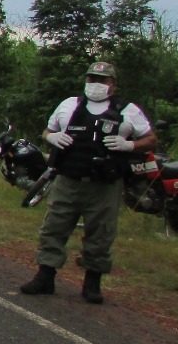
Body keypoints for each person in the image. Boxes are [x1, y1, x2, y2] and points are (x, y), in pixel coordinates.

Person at [20, 61, 156, 304]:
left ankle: (92, 282)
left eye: (102, 80)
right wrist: (53, 137)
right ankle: (45, 276)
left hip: (104, 184)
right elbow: (45, 131)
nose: (96, 84)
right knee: (54, 226)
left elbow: (150, 138)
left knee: (101, 232)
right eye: (92, 79)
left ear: (112, 83)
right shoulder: (69, 105)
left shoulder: (127, 110)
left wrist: (130, 145)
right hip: (68, 179)